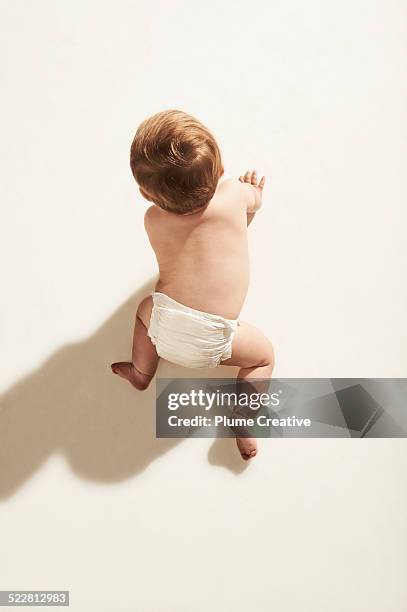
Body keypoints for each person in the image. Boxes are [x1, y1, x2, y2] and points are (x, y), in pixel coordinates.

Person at [111, 109, 275, 460]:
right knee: (263, 357)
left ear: (145, 193)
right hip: (217, 339)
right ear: (219, 169)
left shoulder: (152, 219)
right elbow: (255, 202)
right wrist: (253, 192)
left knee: (145, 309)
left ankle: (141, 372)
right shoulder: (233, 196)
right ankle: (244, 420)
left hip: (165, 329)